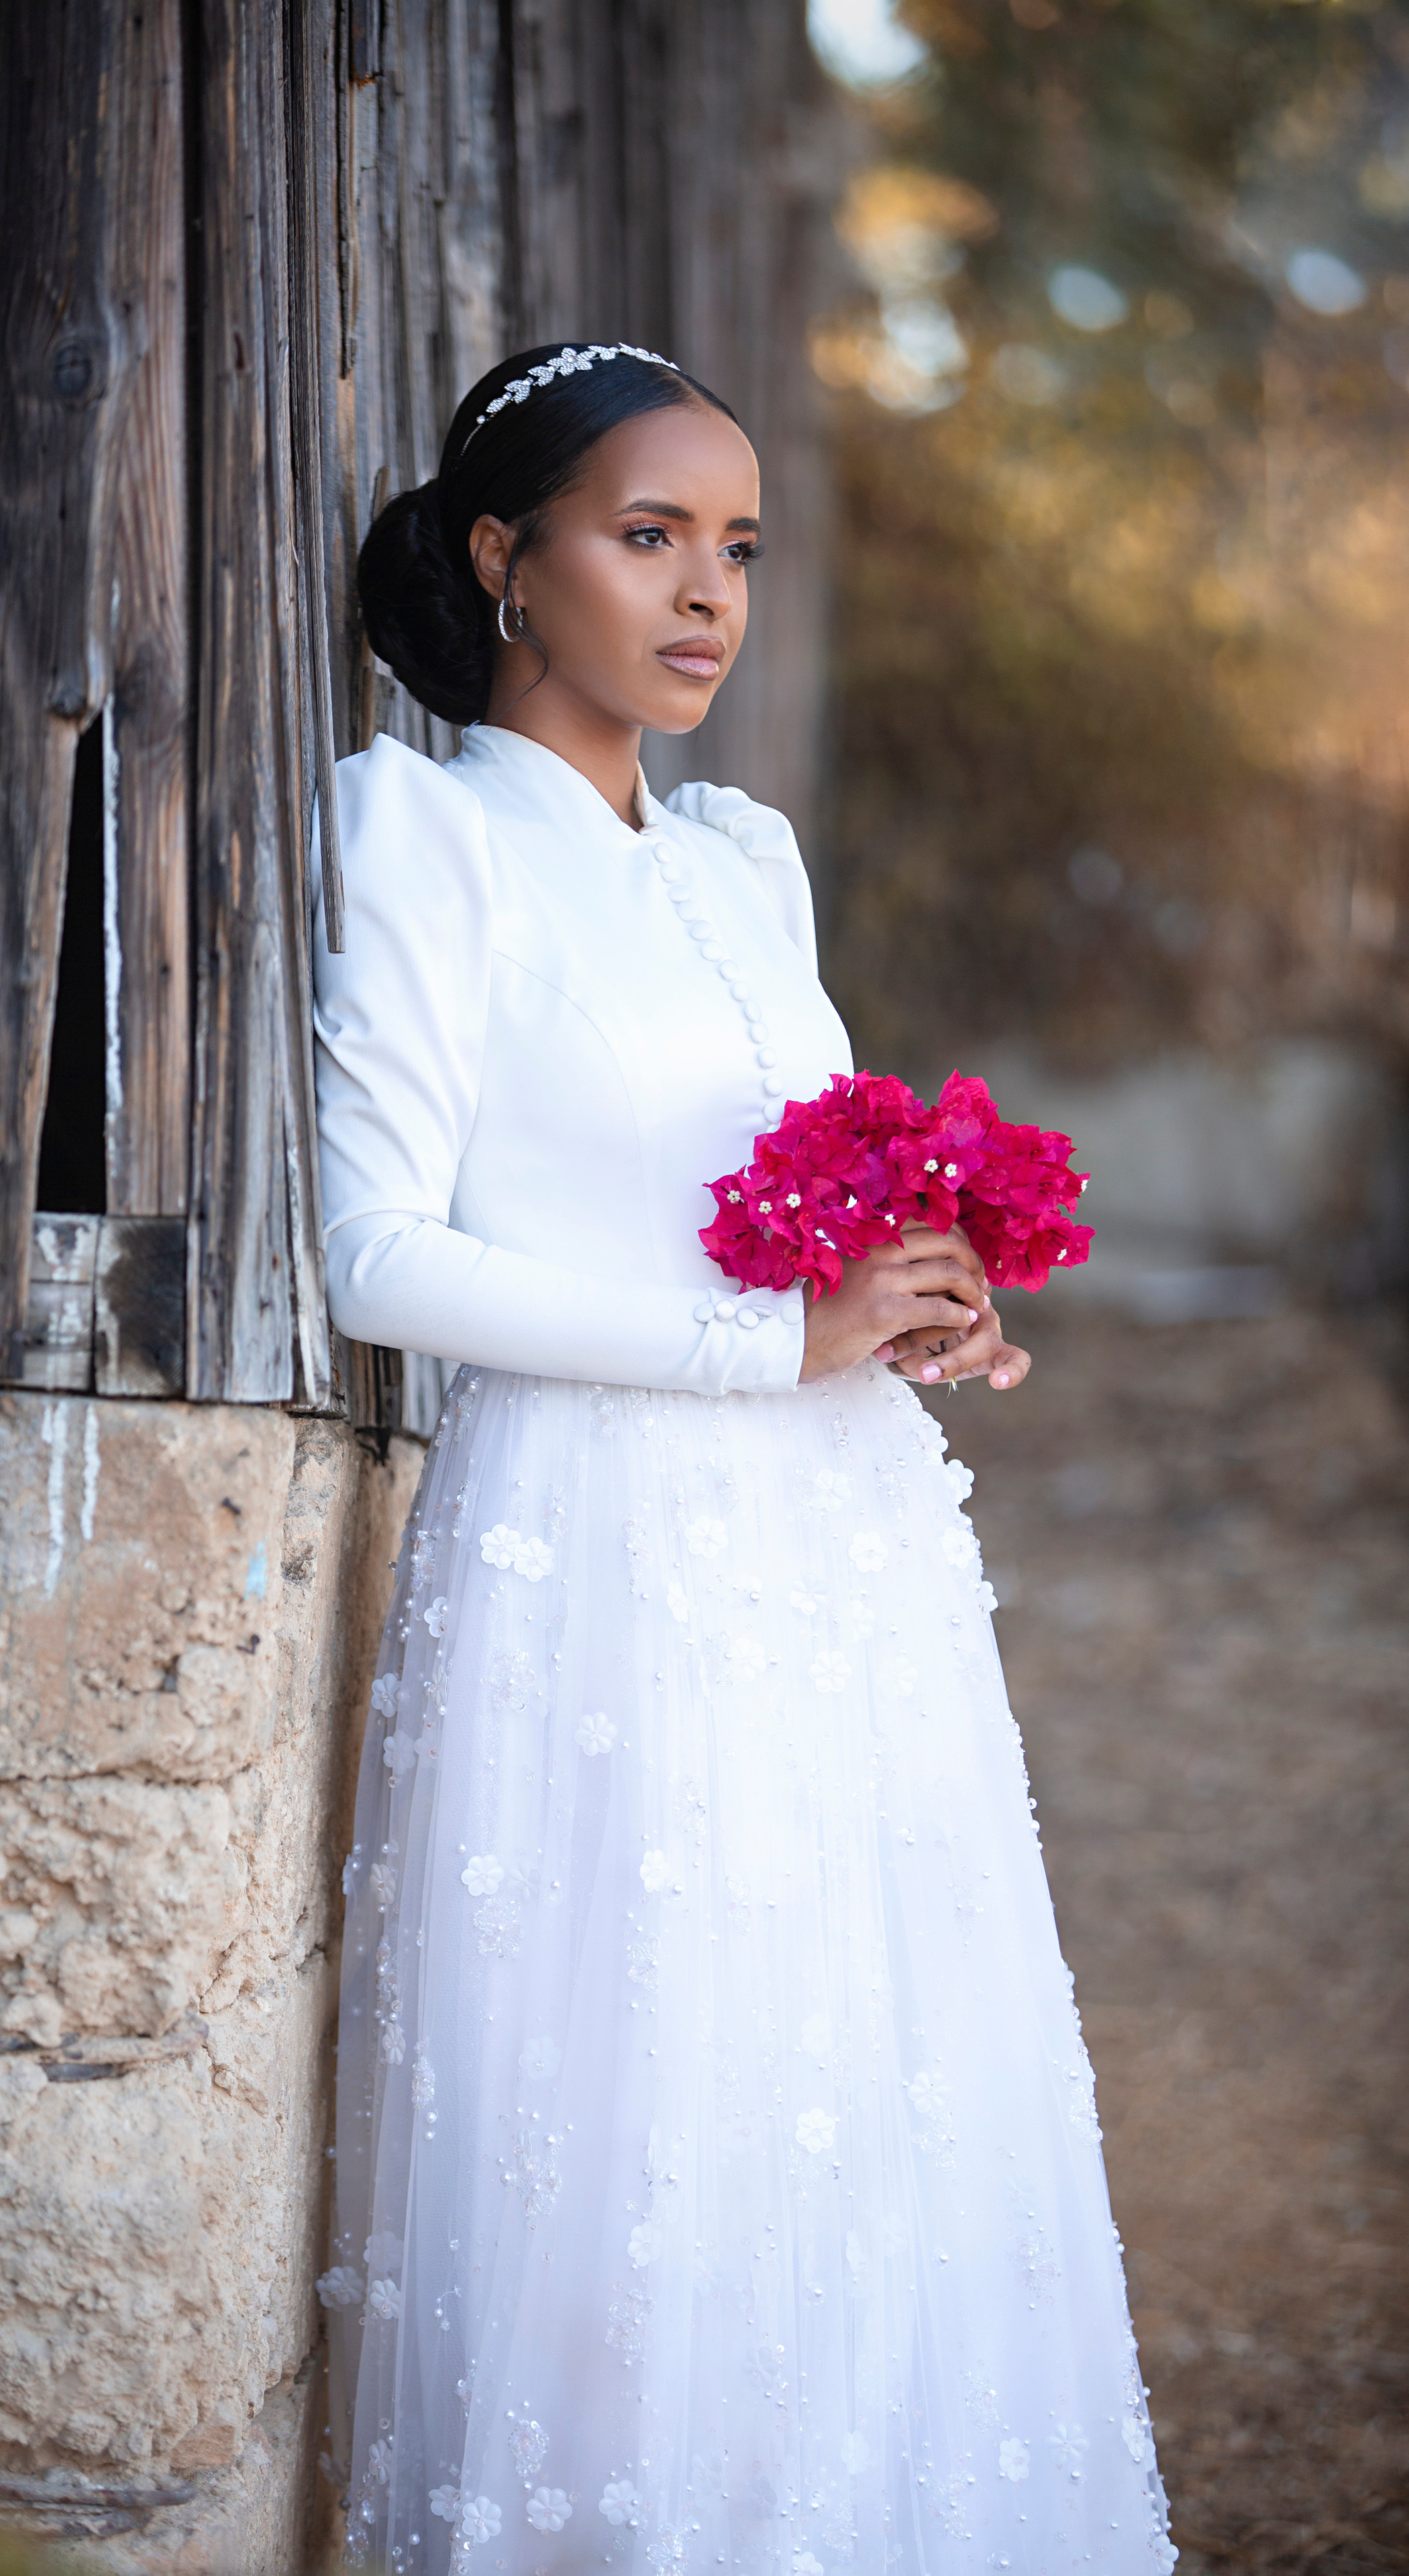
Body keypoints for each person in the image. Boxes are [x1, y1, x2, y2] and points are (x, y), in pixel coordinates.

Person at [312, 342, 1176, 2575]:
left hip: (840, 1547)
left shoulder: (741, 856)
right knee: (635, 2126)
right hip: (591, 1554)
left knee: (856, 2088)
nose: (709, 597)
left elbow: (777, 1188)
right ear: (506, 560)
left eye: (742, 552)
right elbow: (378, 1250)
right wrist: (749, 1344)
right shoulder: (421, 832)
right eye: (649, 537)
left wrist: (917, 1289)